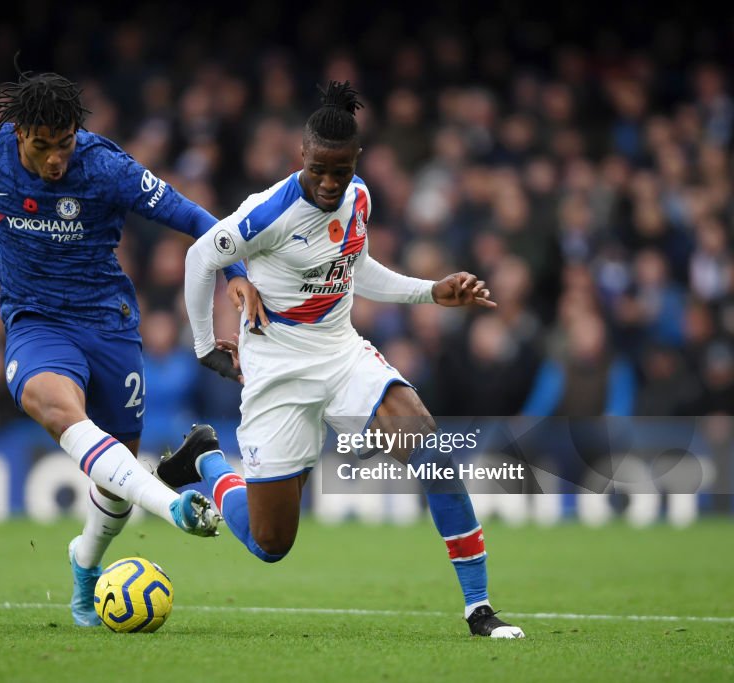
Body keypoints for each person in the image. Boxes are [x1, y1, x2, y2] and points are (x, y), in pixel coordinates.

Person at [158, 81, 525, 638]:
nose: (330, 182)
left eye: (341, 169)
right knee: (271, 544)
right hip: (276, 367)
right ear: (301, 157)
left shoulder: (359, 196)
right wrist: (205, 344)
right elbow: (198, 255)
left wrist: (432, 291)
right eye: (319, 170)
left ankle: (478, 607)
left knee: (427, 443)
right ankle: (208, 462)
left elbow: (355, 267)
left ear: (356, 159)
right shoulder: (269, 212)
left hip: (340, 351)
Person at [0, 64, 261, 627]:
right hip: (35, 323)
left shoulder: (107, 167)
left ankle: (84, 563)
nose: (57, 158)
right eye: (43, 146)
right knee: (57, 409)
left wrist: (234, 273)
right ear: (18, 135)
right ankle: (174, 506)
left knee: (115, 481)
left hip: (109, 325)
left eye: (65, 144)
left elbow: (196, 217)